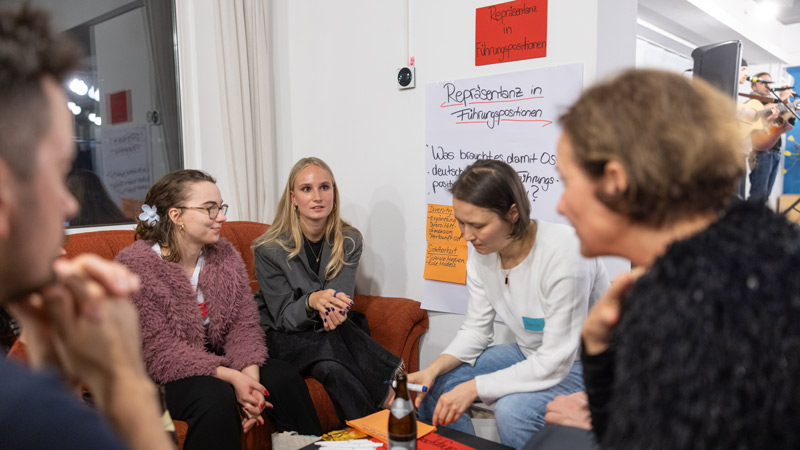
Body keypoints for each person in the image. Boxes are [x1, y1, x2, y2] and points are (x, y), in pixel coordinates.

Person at [532, 68, 800, 449]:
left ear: (614, 180)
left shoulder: (695, 301)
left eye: (567, 182)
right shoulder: (746, 256)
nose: (561, 204)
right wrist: (598, 352)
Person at [0, 4, 172, 449]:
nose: (69, 202)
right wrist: (121, 380)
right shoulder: (24, 411)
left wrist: (49, 363)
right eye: (58, 173)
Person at [115, 169, 322, 448]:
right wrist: (232, 377)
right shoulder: (136, 267)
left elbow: (244, 326)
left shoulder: (224, 256)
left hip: (211, 361)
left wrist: (251, 385)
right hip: (153, 374)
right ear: (176, 216)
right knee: (213, 396)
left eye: (220, 207)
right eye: (210, 209)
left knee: (283, 378)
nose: (221, 217)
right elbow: (159, 353)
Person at [409, 159, 608, 449]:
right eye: (460, 222)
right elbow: (477, 330)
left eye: (477, 225)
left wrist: (475, 387)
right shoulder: (482, 252)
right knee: (438, 386)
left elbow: (555, 360)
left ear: (512, 214)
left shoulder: (565, 252)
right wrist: (432, 369)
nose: (467, 235)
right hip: (531, 353)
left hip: (584, 363)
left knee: (513, 412)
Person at [253, 157, 402, 424]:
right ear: (293, 198)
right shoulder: (269, 249)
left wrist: (328, 306)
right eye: (307, 189)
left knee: (333, 369)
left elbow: (338, 304)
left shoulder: (349, 240)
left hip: (331, 333)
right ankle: (388, 383)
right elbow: (283, 316)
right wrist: (312, 301)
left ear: (334, 193)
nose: (318, 196)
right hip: (283, 338)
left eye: (325, 187)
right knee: (335, 337)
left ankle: (373, 437)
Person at [745, 71, 796, 205]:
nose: (767, 85)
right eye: (763, 82)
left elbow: (786, 122)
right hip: (760, 151)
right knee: (758, 195)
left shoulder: (775, 103)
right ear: (754, 87)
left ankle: (756, 223)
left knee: (765, 195)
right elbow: (759, 113)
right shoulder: (752, 103)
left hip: (774, 150)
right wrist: (781, 100)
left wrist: (788, 102)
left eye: (769, 82)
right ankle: (747, 223)